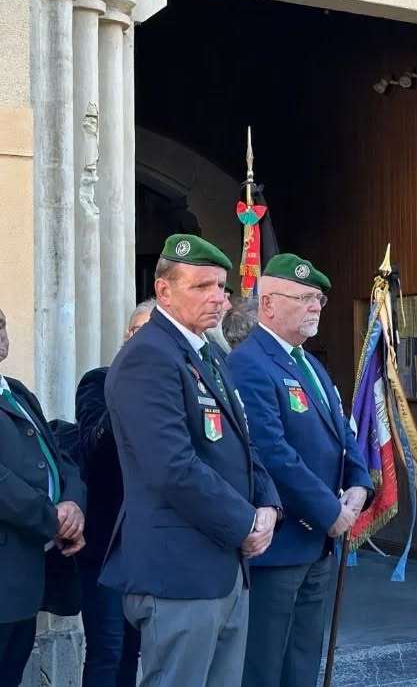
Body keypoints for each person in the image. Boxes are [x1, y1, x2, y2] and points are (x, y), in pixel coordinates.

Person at [100, 234, 282, 687]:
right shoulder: (148, 357)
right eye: (202, 286)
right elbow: (172, 467)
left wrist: (269, 506)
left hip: (222, 569)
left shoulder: (209, 354)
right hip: (179, 573)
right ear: (164, 290)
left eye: (222, 287)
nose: (218, 299)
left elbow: (244, 444)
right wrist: (245, 523)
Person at [229, 254, 371, 687]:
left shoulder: (311, 365)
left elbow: (343, 433)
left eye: (319, 299)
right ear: (268, 304)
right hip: (283, 543)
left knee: (303, 660)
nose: (315, 307)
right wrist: (329, 510)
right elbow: (272, 451)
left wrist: (359, 484)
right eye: (304, 297)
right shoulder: (248, 363)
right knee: (266, 663)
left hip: (319, 544)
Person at [0, 307, 86, 685]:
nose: (0, 332)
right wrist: (54, 520)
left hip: (25, 580)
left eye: (0, 323)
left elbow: (59, 456)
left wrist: (73, 503)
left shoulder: (16, 391)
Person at [75, 300, 154, 687]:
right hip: (107, 546)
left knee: (134, 651)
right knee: (107, 649)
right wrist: (131, 386)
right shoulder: (99, 382)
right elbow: (97, 449)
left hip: (153, 545)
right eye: (141, 332)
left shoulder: (177, 387)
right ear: (127, 337)